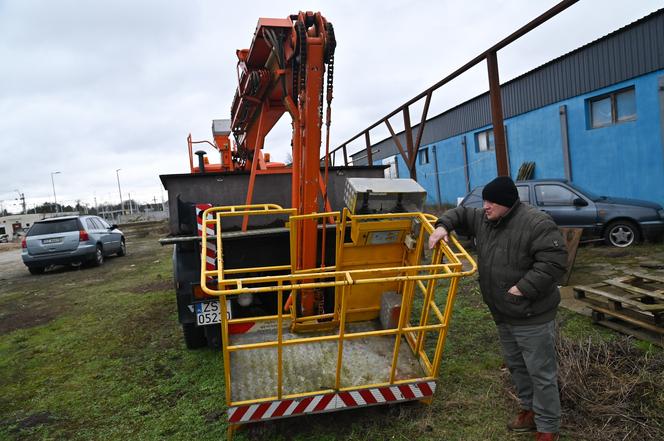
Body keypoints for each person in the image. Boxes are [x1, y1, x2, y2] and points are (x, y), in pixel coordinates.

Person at [429, 176, 567, 441]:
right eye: (485, 200)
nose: (486, 206)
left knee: (541, 372)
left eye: (491, 201)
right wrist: (442, 226)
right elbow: (459, 214)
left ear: (506, 202)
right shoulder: (485, 218)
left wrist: (523, 288)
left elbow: (554, 262)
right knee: (518, 367)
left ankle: (548, 428)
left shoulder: (536, 223)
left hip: (531, 314)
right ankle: (529, 411)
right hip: (503, 313)